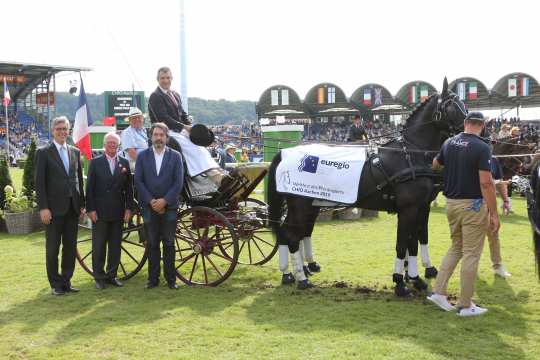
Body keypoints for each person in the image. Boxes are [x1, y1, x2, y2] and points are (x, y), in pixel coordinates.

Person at [428, 112, 500, 317]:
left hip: (451, 204)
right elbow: (486, 183)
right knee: (471, 253)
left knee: (456, 248)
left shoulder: (449, 142)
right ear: (482, 126)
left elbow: (435, 164)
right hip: (472, 207)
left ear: (465, 123)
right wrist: (494, 213)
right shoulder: (482, 147)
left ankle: (439, 292)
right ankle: (466, 304)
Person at [148, 67, 228, 185]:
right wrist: (185, 127)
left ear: (171, 78)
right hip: (166, 131)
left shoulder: (175, 94)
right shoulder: (155, 96)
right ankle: (216, 177)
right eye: (162, 78)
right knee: (193, 148)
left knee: (201, 147)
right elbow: (163, 118)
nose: (165, 81)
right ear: (157, 79)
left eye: (168, 78)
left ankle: (217, 172)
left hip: (179, 129)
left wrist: (192, 127)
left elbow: (183, 114)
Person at [35, 116, 85, 296]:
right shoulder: (43, 152)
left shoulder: (75, 151)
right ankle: (55, 284)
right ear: (53, 131)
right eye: (59, 129)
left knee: (70, 247)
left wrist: (82, 204)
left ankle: (66, 281)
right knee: (53, 248)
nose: (63, 132)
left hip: (72, 208)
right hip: (53, 210)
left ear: (68, 130)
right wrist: (43, 208)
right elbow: (39, 183)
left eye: (65, 129)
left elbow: (79, 180)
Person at [134, 122, 184, 290]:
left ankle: (171, 280)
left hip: (169, 207)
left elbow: (178, 182)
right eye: (155, 135)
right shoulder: (142, 156)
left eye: (161, 135)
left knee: (169, 244)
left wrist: (164, 201)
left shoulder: (176, 156)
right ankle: (152, 279)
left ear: (167, 138)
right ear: (151, 137)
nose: (158, 138)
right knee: (152, 243)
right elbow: (139, 181)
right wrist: (151, 201)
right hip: (149, 207)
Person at [86, 132, 136, 289]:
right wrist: (91, 209)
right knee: (99, 246)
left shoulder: (124, 163)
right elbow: (90, 189)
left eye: (115, 143)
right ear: (104, 144)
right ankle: (99, 278)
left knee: (115, 245)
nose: (112, 145)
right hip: (99, 211)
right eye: (109, 143)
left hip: (118, 210)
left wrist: (129, 208)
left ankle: (112, 276)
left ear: (118, 145)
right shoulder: (95, 163)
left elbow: (129, 189)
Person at [487, 151, 512, 278]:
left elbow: (499, 182)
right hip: (470, 206)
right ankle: (469, 268)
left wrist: (506, 200)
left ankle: (497, 266)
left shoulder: (493, 160)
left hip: (488, 206)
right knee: (470, 241)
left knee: (494, 236)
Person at [120, 107, 149, 171]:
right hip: (134, 163)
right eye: (134, 118)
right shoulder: (127, 132)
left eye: (139, 117)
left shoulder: (144, 131)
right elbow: (132, 153)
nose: (137, 119)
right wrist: (145, 165)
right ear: (129, 121)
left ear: (143, 119)